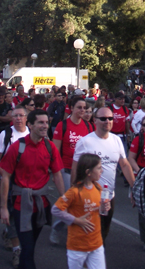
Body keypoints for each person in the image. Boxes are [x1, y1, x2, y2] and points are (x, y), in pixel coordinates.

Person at [0, 109, 65, 269]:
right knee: (27, 248)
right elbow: (6, 177)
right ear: (30, 125)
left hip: (41, 205)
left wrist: (65, 200)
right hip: (21, 204)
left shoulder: (50, 147)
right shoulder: (17, 147)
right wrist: (3, 208)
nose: (45, 126)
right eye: (40, 123)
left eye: (46, 122)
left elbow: (57, 175)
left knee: (30, 248)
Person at [72, 107, 135, 241]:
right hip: (89, 197)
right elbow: (75, 170)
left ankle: (96, 256)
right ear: (95, 120)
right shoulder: (85, 142)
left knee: (103, 233)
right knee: (90, 234)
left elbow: (124, 164)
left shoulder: (116, 140)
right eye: (103, 119)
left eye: (110, 118)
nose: (107, 121)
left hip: (108, 197)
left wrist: (134, 187)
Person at [51, 154, 109, 269]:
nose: (102, 170)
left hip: (96, 243)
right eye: (98, 168)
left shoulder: (98, 187)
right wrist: (75, 220)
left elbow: (99, 209)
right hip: (77, 246)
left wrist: (104, 207)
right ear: (88, 172)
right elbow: (56, 210)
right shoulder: (74, 191)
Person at [50, 97, 93, 244]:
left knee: (81, 203)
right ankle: (57, 228)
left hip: (83, 170)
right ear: (72, 108)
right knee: (69, 203)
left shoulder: (88, 127)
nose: (82, 110)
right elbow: (55, 150)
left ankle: (74, 232)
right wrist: (56, 171)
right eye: (79, 107)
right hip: (66, 169)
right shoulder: (62, 125)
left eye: (84, 108)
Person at [0, 106, 30, 268]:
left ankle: (9, 233)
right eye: (15, 116)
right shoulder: (6, 134)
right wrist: (4, 175)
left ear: (26, 118)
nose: (18, 119)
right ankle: (17, 249)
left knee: (26, 216)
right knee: (12, 214)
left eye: (21, 116)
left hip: (28, 183)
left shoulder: (32, 133)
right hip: (11, 181)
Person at [128, 115, 145, 251]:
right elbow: (131, 158)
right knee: (144, 209)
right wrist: (139, 171)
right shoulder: (139, 140)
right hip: (142, 176)